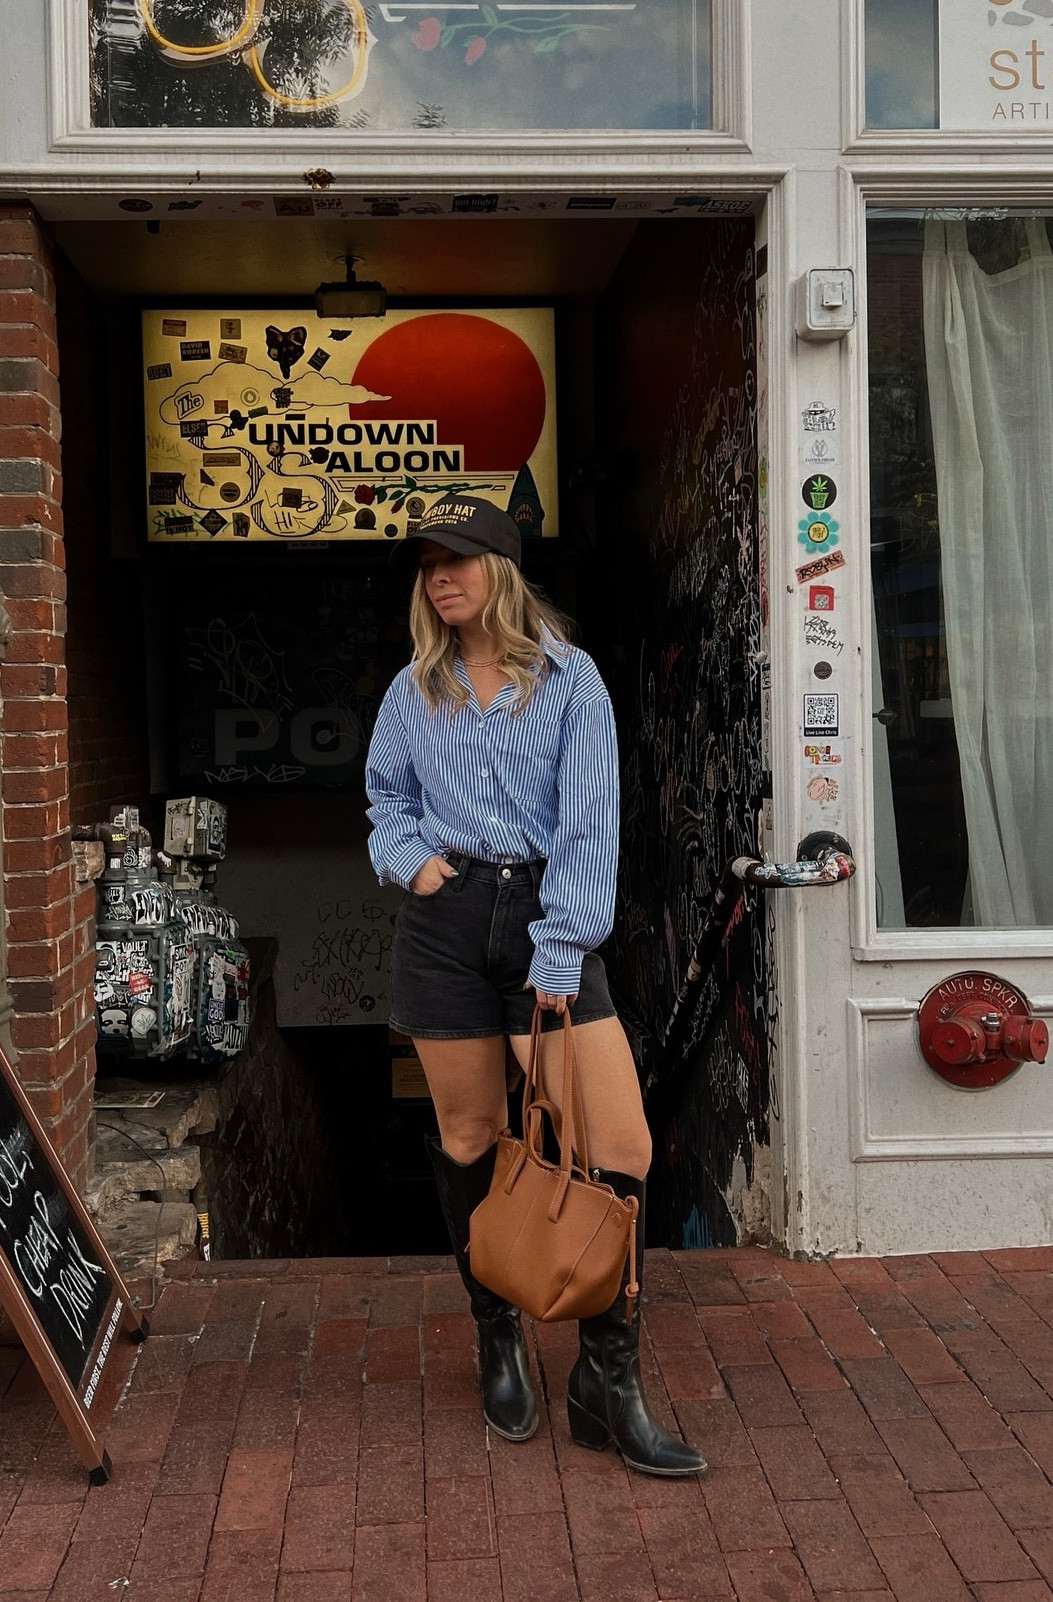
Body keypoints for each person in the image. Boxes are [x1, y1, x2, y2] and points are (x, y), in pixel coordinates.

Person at [364, 493, 706, 1478]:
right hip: (443, 925)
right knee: (471, 1137)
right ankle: (497, 1331)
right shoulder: (413, 689)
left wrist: (561, 948)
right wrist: (412, 863)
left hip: (544, 917)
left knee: (618, 1148)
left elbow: (591, 823)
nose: (441, 576)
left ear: (501, 568)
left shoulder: (570, 681)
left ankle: (608, 1380)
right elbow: (387, 796)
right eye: (428, 562)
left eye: (459, 558)